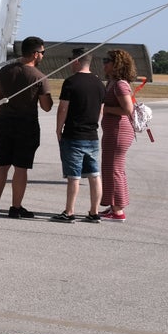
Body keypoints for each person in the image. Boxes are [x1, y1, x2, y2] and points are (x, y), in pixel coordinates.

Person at [0, 36, 53, 218]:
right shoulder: (39, 77)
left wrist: (1, 116)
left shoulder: (4, 71)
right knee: (21, 168)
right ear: (35, 54)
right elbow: (47, 107)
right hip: (26, 126)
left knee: (2, 165)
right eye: (42, 53)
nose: (43, 56)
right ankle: (15, 207)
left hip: (4, 123)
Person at [51, 48, 104, 223]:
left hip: (74, 135)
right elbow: (100, 110)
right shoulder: (99, 83)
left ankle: (69, 211)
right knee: (94, 175)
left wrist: (59, 129)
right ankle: (94, 211)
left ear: (76, 61)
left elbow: (63, 108)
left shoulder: (70, 82)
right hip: (92, 135)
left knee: (74, 176)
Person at [100, 49, 136, 222]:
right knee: (111, 168)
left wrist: (105, 109)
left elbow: (127, 109)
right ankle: (113, 205)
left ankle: (118, 210)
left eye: (107, 60)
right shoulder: (112, 82)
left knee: (114, 170)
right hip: (112, 130)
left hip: (119, 131)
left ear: (117, 64)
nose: (104, 63)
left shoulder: (120, 84)